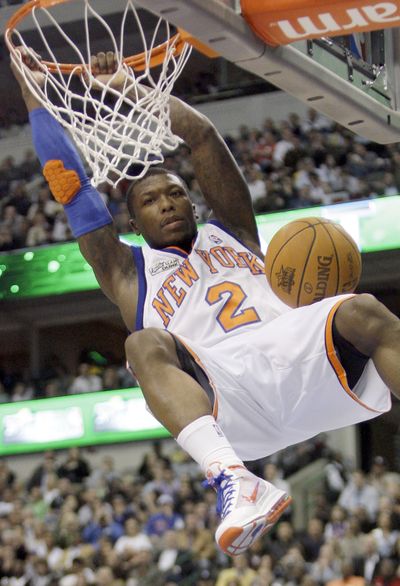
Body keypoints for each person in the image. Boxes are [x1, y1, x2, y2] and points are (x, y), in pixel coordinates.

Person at [11, 49, 399, 557]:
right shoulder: (127, 272)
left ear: (191, 202)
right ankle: (236, 483)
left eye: (173, 194)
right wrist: (33, 91)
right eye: (149, 201)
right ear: (133, 224)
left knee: (364, 310)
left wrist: (133, 89)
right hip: (227, 397)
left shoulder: (233, 231)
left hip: (297, 359)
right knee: (144, 343)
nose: (166, 203)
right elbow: (70, 185)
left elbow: (202, 138)